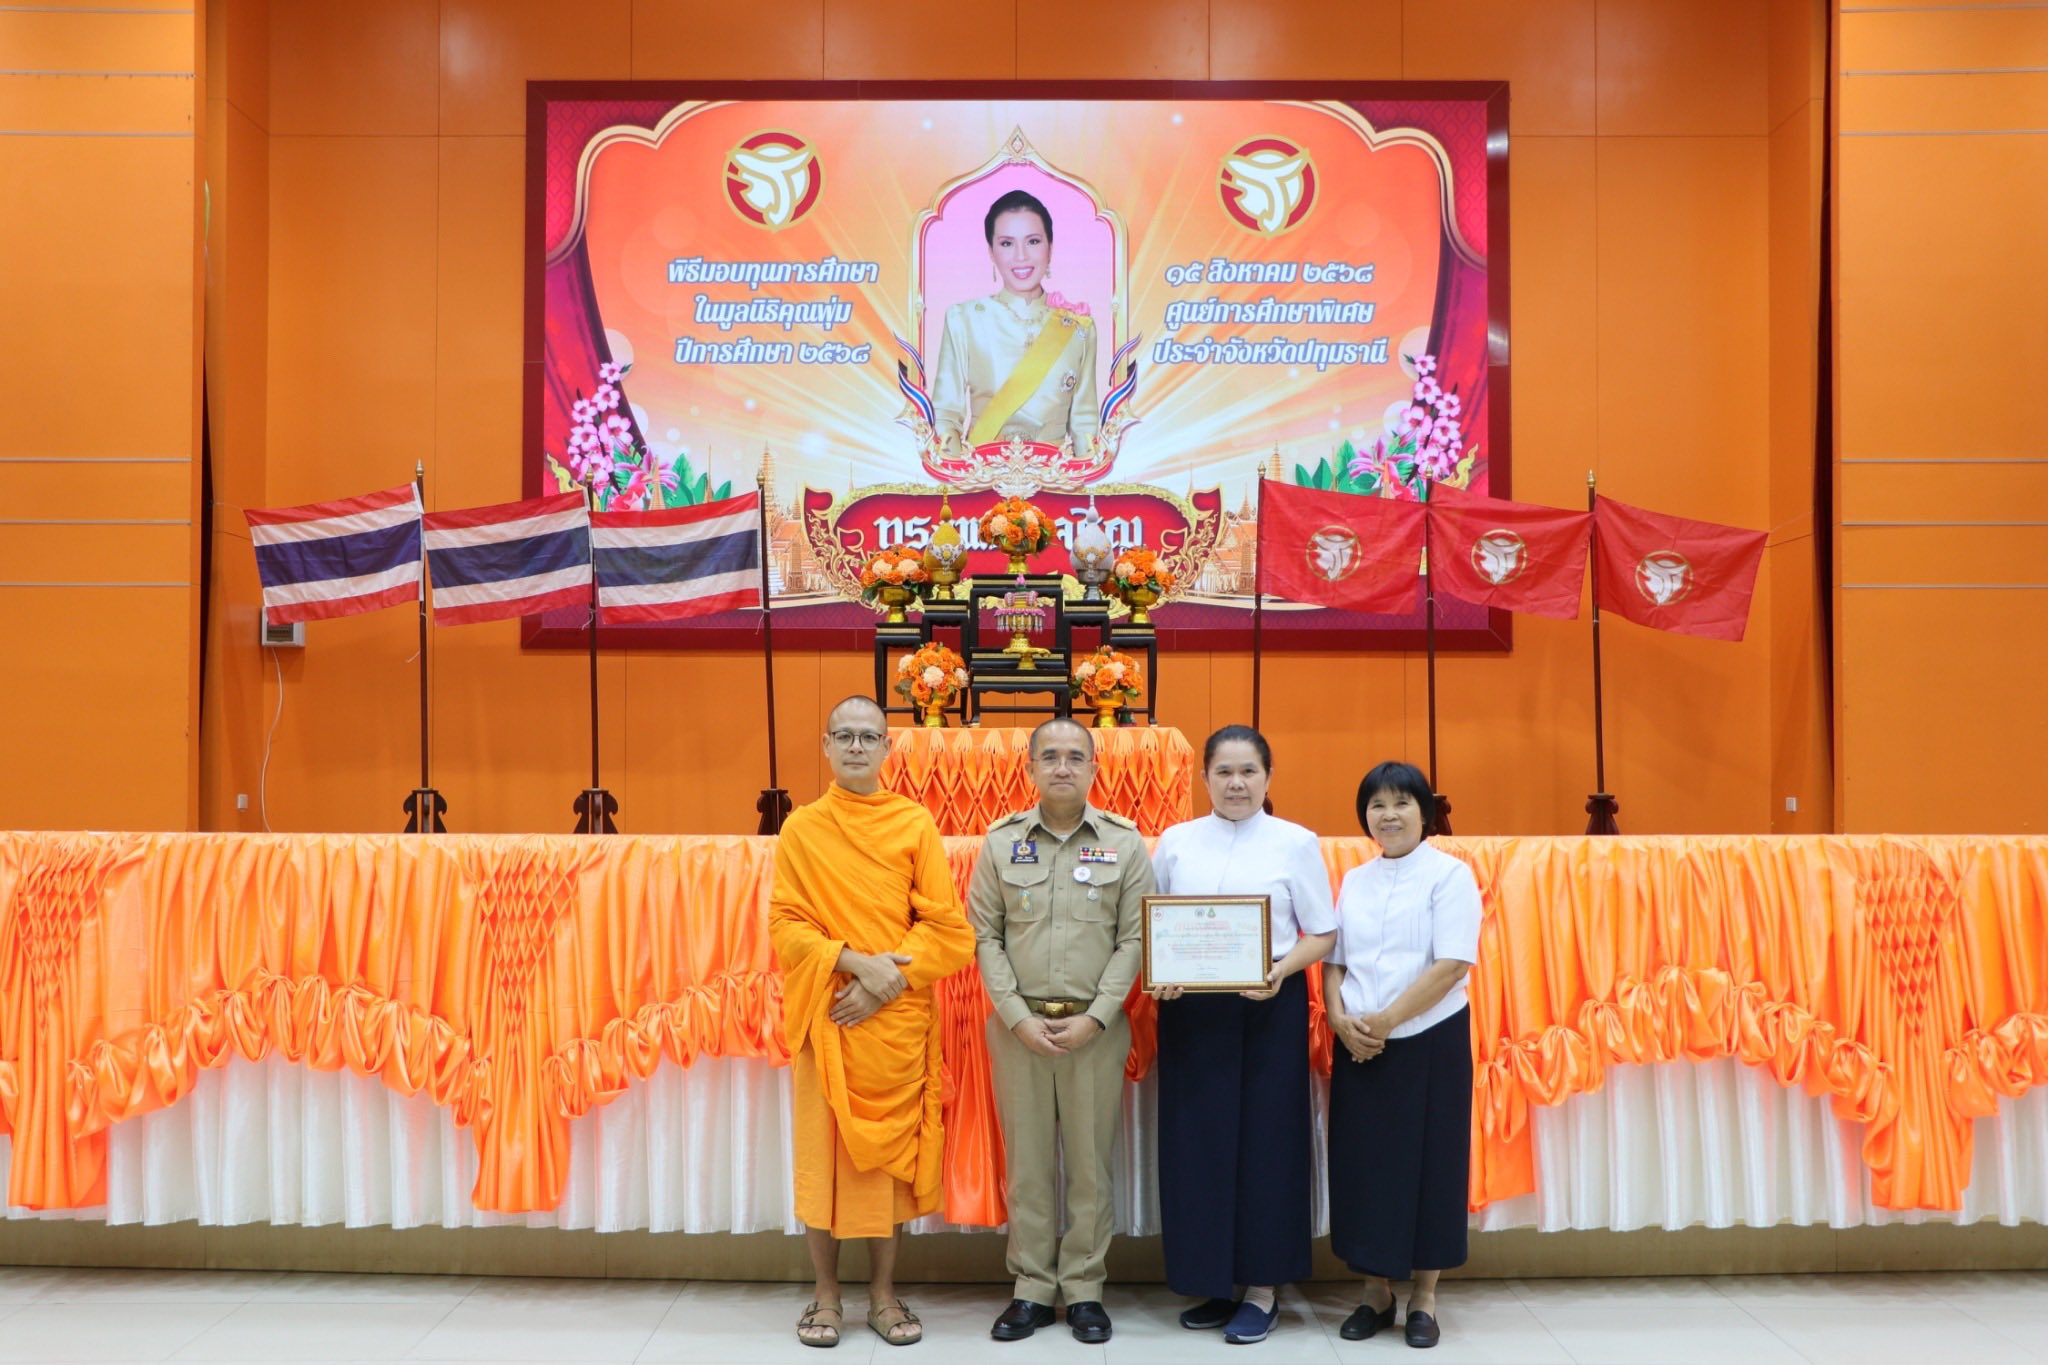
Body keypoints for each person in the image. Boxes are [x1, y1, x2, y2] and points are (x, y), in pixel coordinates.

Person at [769, 695, 976, 1349]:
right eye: (845, 736)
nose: (857, 747)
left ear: (889, 748)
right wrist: (854, 963)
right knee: (822, 1161)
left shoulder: (913, 824)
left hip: (891, 1018)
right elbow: (785, 924)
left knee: (885, 1164)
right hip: (829, 1011)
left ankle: (883, 1294)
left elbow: (948, 932)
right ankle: (826, 1295)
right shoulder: (802, 829)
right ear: (825, 746)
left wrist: (888, 984)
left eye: (869, 737)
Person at [1148, 725, 1338, 1345]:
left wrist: (1281, 970)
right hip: (1192, 1014)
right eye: (1224, 772)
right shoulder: (1175, 842)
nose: (1236, 783)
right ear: (1203, 778)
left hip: (1267, 1009)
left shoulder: (1295, 842)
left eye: (1248, 772)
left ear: (1268, 778)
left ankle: (1261, 1289)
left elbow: (1323, 933)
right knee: (1196, 1146)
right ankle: (1213, 1282)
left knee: (1267, 1147)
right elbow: (1155, 927)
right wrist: (1162, 975)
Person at [967, 718, 1152, 1344]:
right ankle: (1030, 1289)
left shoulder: (1125, 844)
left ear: (1095, 767)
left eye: (1076, 756)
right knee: (1027, 1167)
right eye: (1050, 756)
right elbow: (984, 936)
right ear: (1031, 767)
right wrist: (1016, 1017)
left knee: (1092, 1166)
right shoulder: (1000, 842)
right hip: (1017, 1027)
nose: (1063, 767)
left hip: (1095, 1028)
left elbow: (1135, 938)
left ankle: (1084, 1290)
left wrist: (1098, 1014)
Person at [1322, 761, 1482, 1350]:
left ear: (1425, 812)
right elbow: (1334, 956)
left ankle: (1424, 1298)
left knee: (1429, 1168)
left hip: (1431, 1039)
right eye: (1376, 805)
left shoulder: (1451, 876)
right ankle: (1375, 1293)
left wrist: (1386, 1021)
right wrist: (1338, 1017)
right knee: (1365, 1168)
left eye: (1401, 803)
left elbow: (1452, 965)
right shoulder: (1355, 880)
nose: (1387, 815)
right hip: (1359, 1042)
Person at [929, 188, 1099, 456]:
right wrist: (961, 479)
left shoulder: (1078, 328)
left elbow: (1085, 423)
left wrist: (1082, 487)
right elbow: (945, 415)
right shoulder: (964, 319)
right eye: (1007, 243)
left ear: (1050, 248)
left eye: (1033, 241)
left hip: (1056, 486)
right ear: (991, 252)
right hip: (980, 482)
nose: (1021, 256)